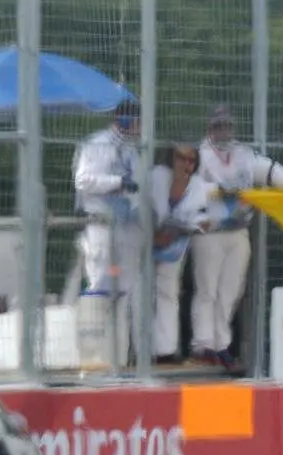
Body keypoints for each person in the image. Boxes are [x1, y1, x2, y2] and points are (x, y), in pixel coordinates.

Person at [193, 103, 283, 369]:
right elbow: (192, 186)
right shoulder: (200, 154)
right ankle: (203, 343)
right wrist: (218, 189)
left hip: (238, 230)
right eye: (219, 125)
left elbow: (269, 170)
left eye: (227, 125)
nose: (224, 130)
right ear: (210, 127)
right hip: (210, 229)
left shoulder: (243, 153)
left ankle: (221, 344)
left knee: (231, 289)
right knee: (207, 287)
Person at [72, 98, 145, 364]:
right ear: (125, 120)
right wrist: (117, 182)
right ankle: (93, 358)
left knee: (123, 288)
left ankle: (119, 358)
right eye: (137, 120)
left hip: (125, 226)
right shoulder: (98, 143)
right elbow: (83, 180)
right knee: (101, 284)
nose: (140, 127)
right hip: (101, 223)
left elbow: (137, 187)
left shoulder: (132, 150)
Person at [150, 142, 211, 364]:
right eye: (180, 157)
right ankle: (138, 352)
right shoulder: (155, 176)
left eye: (190, 160)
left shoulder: (197, 185)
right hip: (144, 241)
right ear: (170, 158)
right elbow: (141, 206)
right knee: (140, 295)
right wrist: (153, 233)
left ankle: (165, 351)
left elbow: (200, 216)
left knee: (168, 292)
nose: (185, 163)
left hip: (174, 244)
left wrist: (198, 224)